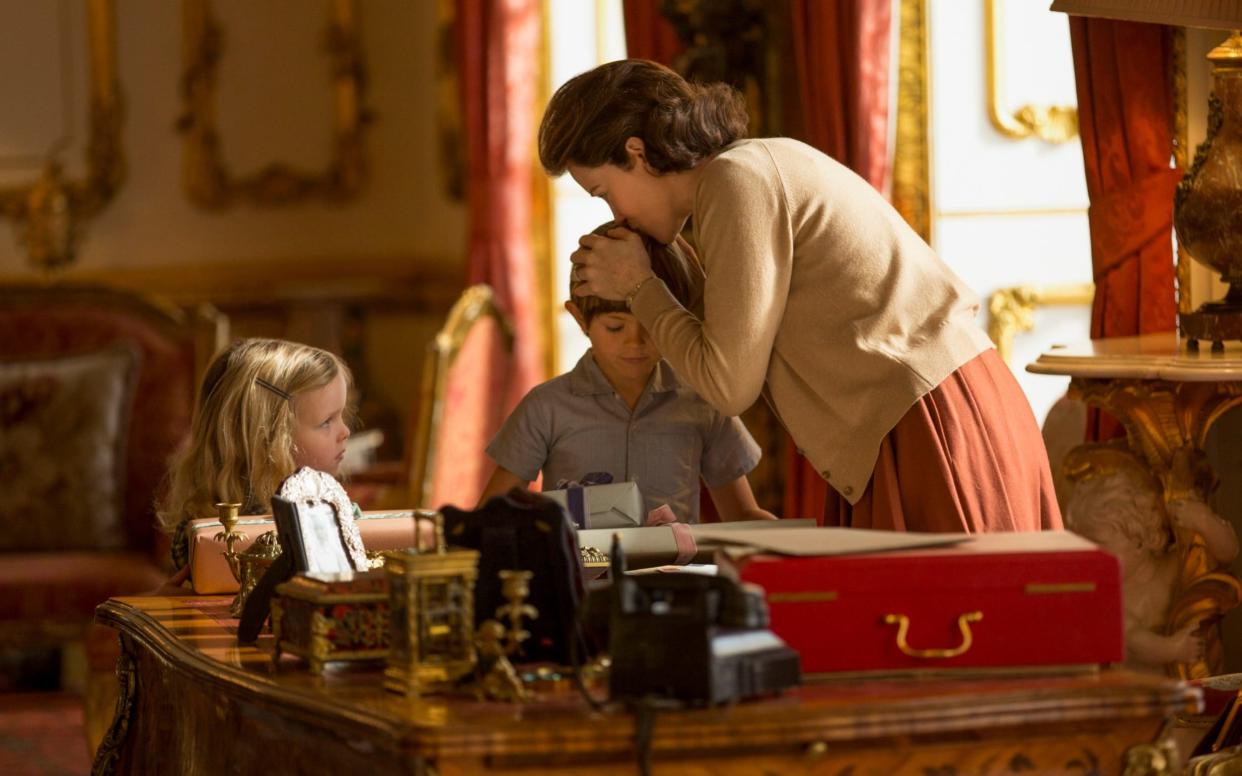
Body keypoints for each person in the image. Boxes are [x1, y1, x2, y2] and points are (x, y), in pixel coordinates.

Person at [538, 59, 1060, 532]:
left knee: (952, 628)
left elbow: (727, 385)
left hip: (927, 423)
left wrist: (638, 287)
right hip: (915, 416)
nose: (615, 217)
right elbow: (735, 344)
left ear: (636, 152)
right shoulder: (751, 169)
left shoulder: (734, 181)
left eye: (604, 193)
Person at [479, 223, 776, 524]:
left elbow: (742, 515)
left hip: (676, 570)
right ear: (580, 319)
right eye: (615, 327)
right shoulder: (545, 408)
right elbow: (491, 516)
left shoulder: (704, 401)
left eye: (651, 325)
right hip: (581, 568)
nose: (634, 342)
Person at [157, 338, 355, 571]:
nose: (345, 432)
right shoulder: (208, 536)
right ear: (267, 441)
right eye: (326, 422)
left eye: (341, 415)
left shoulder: (335, 513)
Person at [1064, 445, 1237, 669]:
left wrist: (1203, 520)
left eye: (1098, 546)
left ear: (1138, 539)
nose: (1088, 557)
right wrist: (1172, 648)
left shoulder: (1175, 565)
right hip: (1136, 688)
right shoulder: (1112, 595)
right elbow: (1135, 640)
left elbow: (1227, 553)